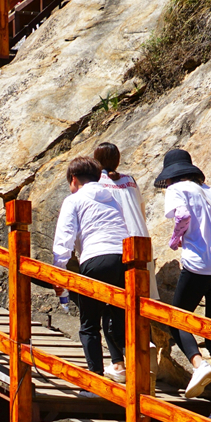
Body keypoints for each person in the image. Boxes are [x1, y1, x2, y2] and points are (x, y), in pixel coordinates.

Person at [154, 148, 211, 422]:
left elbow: (181, 216)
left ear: (170, 176)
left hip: (198, 264)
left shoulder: (177, 189)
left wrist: (176, 238)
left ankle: (198, 364)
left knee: (176, 318)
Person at [52, 156, 134, 383]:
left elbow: (64, 239)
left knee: (89, 325)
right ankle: (138, 372)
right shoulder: (112, 198)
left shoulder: (74, 200)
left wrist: (58, 272)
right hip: (125, 259)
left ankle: (94, 380)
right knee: (121, 320)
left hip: (96, 258)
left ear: (74, 179)